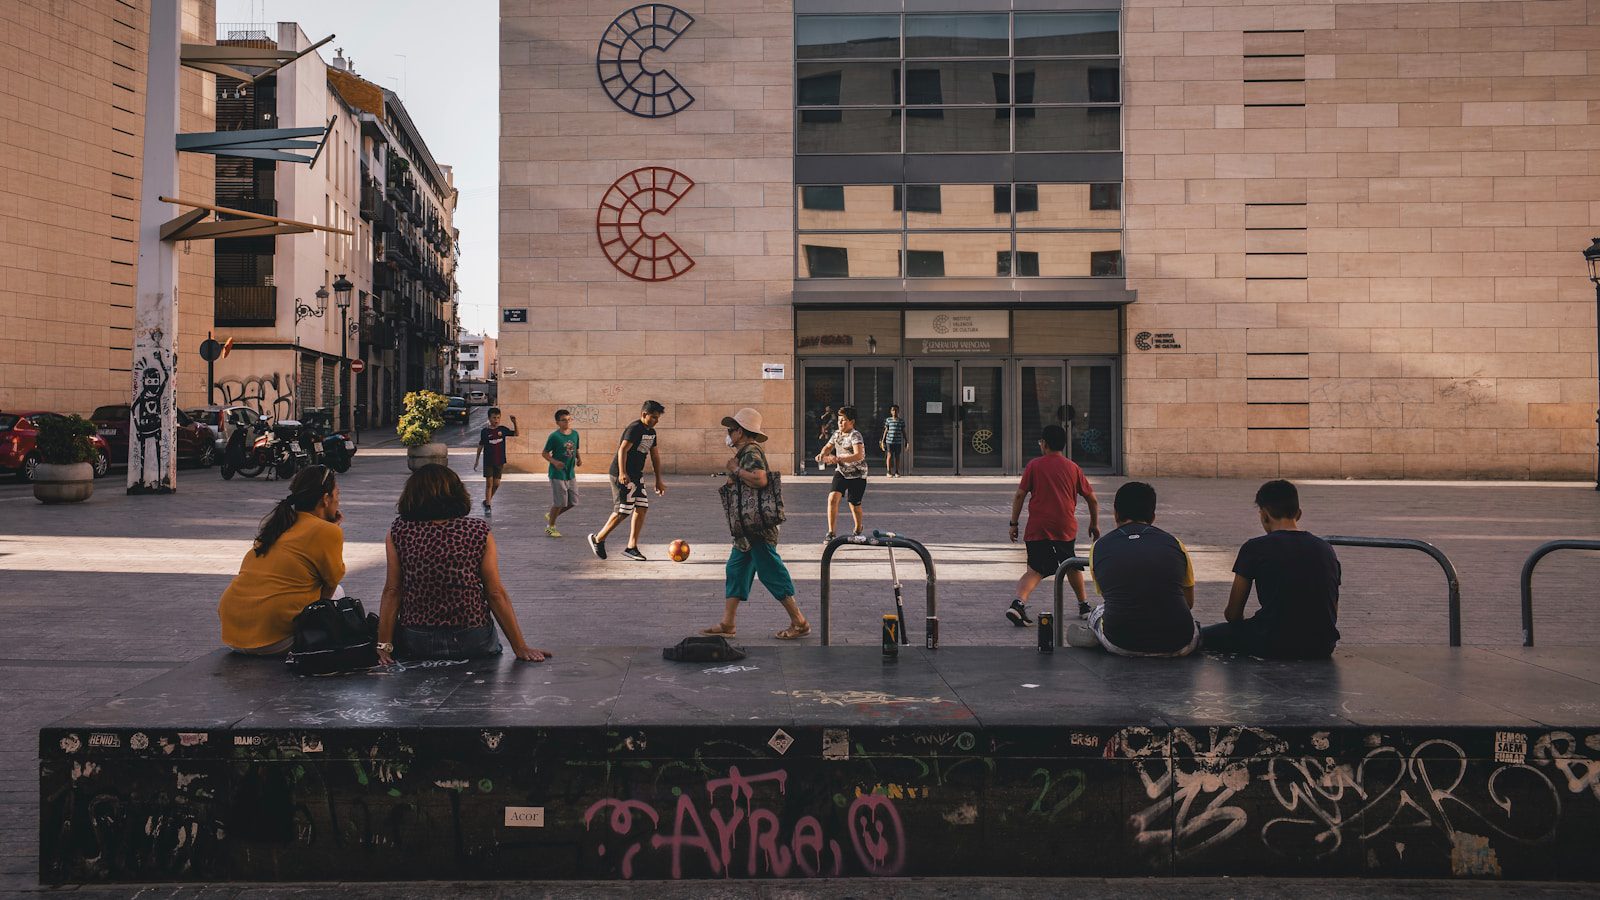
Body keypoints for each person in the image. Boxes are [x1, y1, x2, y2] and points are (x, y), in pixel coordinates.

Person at [375, 464, 550, 663]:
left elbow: (392, 590)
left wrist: (384, 647)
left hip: (417, 638)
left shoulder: (399, 531)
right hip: (472, 637)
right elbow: (494, 593)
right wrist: (520, 647)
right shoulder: (477, 530)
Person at [700, 407, 811, 640]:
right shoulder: (745, 453)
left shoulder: (751, 452)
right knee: (736, 569)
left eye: (731, 430)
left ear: (741, 432)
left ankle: (799, 622)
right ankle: (728, 623)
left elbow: (760, 479)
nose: (729, 434)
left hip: (757, 527)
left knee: (771, 572)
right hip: (746, 529)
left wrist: (735, 470)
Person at [1202, 480, 1341, 659]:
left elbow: (1233, 613)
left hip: (1272, 642)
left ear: (1264, 515)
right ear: (1298, 514)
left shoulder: (1255, 548)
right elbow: (1332, 610)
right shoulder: (1325, 549)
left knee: (1202, 635)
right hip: (1322, 645)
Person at [217, 465, 345, 654]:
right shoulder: (328, 531)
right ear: (325, 500)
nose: (338, 502)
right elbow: (332, 582)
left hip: (234, 631)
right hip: (272, 638)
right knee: (339, 593)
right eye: (337, 495)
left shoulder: (281, 523)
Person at [1065, 482, 1200, 657]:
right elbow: (1188, 603)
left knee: (1098, 611)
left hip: (1121, 642)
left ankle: (1095, 634)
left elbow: (1112, 597)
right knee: (1188, 621)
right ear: (1152, 516)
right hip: (1178, 642)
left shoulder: (1099, 547)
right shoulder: (1175, 543)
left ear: (1116, 514)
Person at [1007, 424, 1099, 627]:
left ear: (1044, 444)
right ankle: (1084, 606)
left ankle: (1018, 603)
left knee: (1035, 569)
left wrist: (1014, 523)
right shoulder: (1073, 468)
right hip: (1064, 526)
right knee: (1071, 564)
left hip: (1038, 527)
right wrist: (1094, 523)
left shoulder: (1034, 465)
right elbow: (1092, 499)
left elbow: (1020, 495)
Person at [589, 400, 667, 561]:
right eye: (653, 417)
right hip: (622, 474)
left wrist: (659, 479)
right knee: (623, 510)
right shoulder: (635, 428)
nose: (656, 421)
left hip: (636, 475)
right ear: (644, 414)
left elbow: (655, 455)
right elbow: (622, 450)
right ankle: (598, 539)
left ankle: (631, 547)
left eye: (658, 418)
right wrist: (622, 473)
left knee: (642, 507)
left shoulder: (651, 432)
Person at [816, 405, 868, 542]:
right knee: (832, 498)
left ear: (852, 422)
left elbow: (858, 455)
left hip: (857, 475)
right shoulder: (837, 434)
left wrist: (838, 458)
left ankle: (858, 529)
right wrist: (822, 454)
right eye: (839, 420)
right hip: (841, 472)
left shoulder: (855, 435)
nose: (840, 423)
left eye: (843, 420)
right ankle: (831, 533)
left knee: (854, 505)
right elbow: (828, 447)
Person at [541, 408, 581, 538]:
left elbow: (576, 448)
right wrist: (554, 462)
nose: (567, 422)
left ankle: (552, 514)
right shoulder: (554, 437)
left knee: (573, 501)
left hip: (570, 473)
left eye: (569, 420)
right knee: (560, 503)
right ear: (557, 422)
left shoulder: (575, 434)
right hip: (557, 474)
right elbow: (545, 453)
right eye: (564, 420)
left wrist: (579, 458)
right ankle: (550, 527)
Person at [472, 407, 519, 512]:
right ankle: (488, 505)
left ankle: (487, 500)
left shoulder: (502, 429)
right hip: (488, 461)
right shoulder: (485, 431)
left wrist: (515, 422)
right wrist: (476, 460)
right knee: (489, 483)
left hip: (499, 460)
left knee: (496, 484)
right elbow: (481, 445)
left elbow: (516, 434)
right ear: (489, 418)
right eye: (494, 418)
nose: (496, 420)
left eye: (498, 418)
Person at [881, 404, 907, 477]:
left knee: (897, 456)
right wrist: (883, 440)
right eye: (893, 410)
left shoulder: (901, 421)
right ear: (891, 411)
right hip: (889, 441)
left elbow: (903, 431)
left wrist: (906, 440)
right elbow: (886, 430)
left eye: (896, 410)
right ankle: (888, 471)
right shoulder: (888, 420)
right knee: (889, 455)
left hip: (898, 441)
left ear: (898, 411)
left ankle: (897, 471)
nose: (894, 411)